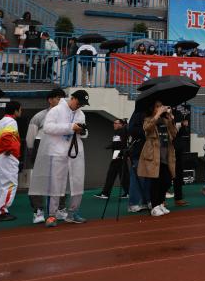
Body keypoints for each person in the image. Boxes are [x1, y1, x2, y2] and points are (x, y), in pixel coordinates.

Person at [29, 89, 90, 227]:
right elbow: (48, 128)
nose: (80, 106)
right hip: (57, 152)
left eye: (82, 104)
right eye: (79, 103)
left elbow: (85, 133)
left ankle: (73, 212)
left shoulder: (81, 114)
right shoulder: (56, 110)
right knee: (55, 183)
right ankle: (52, 215)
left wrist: (82, 131)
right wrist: (70, 127)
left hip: (75, 151)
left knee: (77, 181)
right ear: (72, 98)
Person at [25, 89, 65, 224]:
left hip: (60, 150)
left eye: (63, 98)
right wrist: (32, 152)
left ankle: (60, 209)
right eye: (58, 98)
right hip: (41, 149)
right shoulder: (39, 116)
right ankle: (38, 210)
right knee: (38, 180)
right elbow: (30, 138)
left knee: (60, 179)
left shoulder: (67, 116)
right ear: (50, 100)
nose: (61, 101)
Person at [138, 100, 177, 217]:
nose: (160, 108)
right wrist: (157, 115)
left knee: (166, 181)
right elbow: (147, 128)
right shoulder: (148, 119)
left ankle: (160, 203)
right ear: (152, 108)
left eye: (161, 106)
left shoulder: (165, 120)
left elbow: (174, 133)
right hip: (154, 155)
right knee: (155, 182)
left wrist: (171, 118)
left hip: (166, 155)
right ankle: (154, 206)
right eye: (157, 106)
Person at [0, 101, 21, 222]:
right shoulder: (11, 121)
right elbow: (7, 136)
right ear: (15, 111)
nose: (21, 111)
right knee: (10, 184)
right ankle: (2, 211)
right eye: (20, 109)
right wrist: (9, 149)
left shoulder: (0, 122)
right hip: (6, 156)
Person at [95, 118, 128, 199]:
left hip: (119, 155)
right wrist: (109, 146)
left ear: (121, 124)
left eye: (116, 123)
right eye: (114, 123)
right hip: (117, 155)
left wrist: (120, 154)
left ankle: (105, 193)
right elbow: (115, 143)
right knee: (122, 175)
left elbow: (122, 144)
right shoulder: (117, 132)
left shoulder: (122, 132)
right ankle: (127, 192)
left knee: (113, 175)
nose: (114, 124)